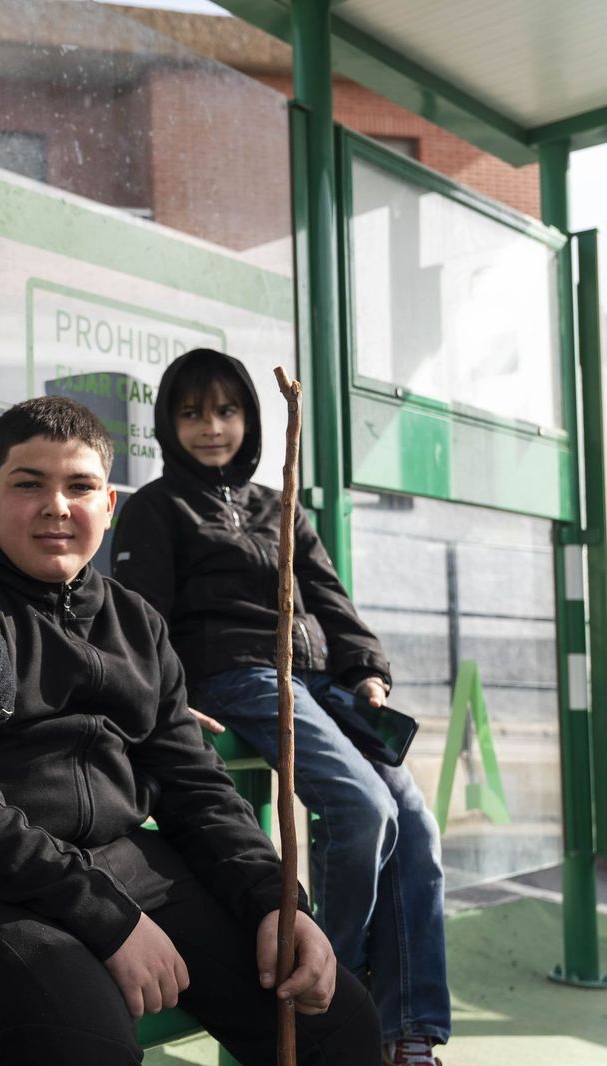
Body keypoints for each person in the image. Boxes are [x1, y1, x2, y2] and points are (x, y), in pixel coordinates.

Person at [0, 395, 382, 1066]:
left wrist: (274, 900)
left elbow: (196, 784)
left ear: (108, 507)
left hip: (129, 863)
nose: (57, 505)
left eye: (79, 487)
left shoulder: (137, 622)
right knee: (84, 1046)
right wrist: (105, 919)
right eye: (30, 484)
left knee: (337, 1018)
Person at [110, 347, 450, 1066]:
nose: (212, 427)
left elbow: (328, 595)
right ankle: (335, 978)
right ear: (169, 424)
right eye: (192, 412)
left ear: (251, 419)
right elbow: (141, 621)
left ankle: (407, 1030)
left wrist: (366, 668)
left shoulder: (277, 503)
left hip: (316, 682)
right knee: (363, 810)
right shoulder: (156, 507)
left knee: (414, 821)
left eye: (227, 411)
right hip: (237, 676)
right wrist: (163, 700)